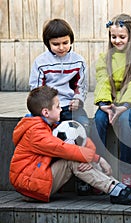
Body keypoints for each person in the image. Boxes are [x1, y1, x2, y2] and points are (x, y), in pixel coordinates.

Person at [9, 85, 131, 204]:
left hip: (37, 179)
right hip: (30, 186)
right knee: (73, 160)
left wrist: (92, 157)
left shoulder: (51, 126)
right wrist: (98, 159)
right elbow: (63, 149)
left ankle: (118, 189)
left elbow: (85, 143)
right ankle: (117, 190)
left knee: (78, 157)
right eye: (58, 106)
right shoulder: (35, 133)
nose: (61, 110)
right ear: (46, 113)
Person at [29, 18, 91, 195]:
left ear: (71, 40)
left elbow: (81, 85)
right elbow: (36, 89)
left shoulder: (78, 61)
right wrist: (45, 109)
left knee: (84, 127)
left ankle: (82, 179)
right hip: (48, 109)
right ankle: (49, 176)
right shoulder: (41, 62)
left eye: (65, 42)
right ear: (47, 43)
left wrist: (78, 99)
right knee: (42, 135)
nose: (62, 47)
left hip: (71, 106)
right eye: (56, 44)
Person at [93, 14, 131, 189]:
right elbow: (103, 80)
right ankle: (96, 169)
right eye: (113, 36)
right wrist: (104, 104)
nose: (117, 40)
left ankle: (128, 172)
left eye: (122, 37)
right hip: (112, 102)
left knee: (125, 120)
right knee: (99, 119)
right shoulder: (105, 57)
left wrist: (124, 105)